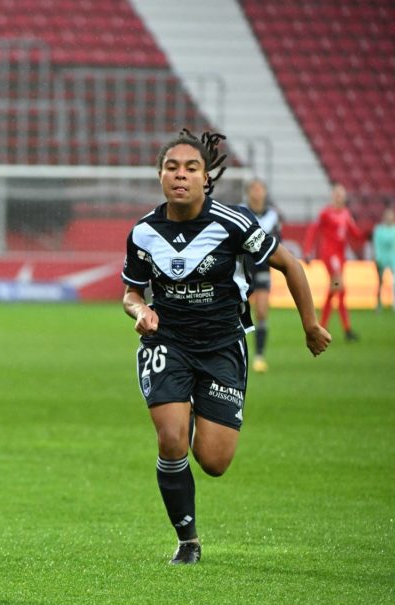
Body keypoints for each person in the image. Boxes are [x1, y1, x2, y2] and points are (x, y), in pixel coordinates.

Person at [121, 129, 331, 565]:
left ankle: (190, 412)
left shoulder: (233, 223)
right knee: (171, 439)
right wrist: (141, 312)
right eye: (172, 167)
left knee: (214, 462)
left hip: (222, 346)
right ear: (160, 175)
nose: (180, 175)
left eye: (191, 168)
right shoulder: (143, 232)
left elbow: (289, 264)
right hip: (168, 342)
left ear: (206, 177)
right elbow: (131, 293)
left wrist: (310, 324)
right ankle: (188, 541)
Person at [302, 183, 365, 341]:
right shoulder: (326, 213)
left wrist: (368, 234)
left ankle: (323, 325)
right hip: (330, 256)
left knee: (336, 290)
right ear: (332, 196)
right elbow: (313, 230)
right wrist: (307, 250)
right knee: (339, 286)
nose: (338, 197)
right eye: (336, 194)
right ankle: (346, 329)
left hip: (341, 257)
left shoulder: (346, 214)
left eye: (341, 195)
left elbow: (355, 233)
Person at [241, 179, 283, 372]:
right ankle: (236, 353)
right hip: (242, 270)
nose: (257, 193)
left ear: (265, 193)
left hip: (263, 269)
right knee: (236, 312)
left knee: (261, 312)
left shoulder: (273, 216)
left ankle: (259, 356)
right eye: (254, 189)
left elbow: (277, 244)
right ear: (249, 192)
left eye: (260, 189)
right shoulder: (241, 212)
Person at [372, 207, 395, 311]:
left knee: (394, 282)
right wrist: (376, 257)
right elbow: (376, 244)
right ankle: (378, 304)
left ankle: (393, 303)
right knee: (380, 282)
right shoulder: (379, 230)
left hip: (393, 258)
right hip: (381, 258)